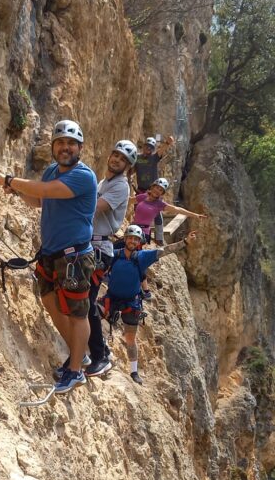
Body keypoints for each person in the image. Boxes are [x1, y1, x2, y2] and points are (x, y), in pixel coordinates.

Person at [0, 120, 97, 395]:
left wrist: (11, 181)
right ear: (53, 147)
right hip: (52, 253)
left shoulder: (84, 176)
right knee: (49, 301)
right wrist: (17, 191)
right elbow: (39, 200)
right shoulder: (51, 171)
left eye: (71, 143)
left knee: (77, 313)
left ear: (80, 148)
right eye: (60, 143)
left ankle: (76, 371)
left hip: (75, 257)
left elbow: (47, 191)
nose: (65, 148)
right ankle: (78, 355)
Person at [101, 225, 197, 384]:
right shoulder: (114, 254)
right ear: (125, 239)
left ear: (139, 242)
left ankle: (134, 371)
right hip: (112, 298)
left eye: (135, 239)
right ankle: (103, 352)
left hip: (131, 302)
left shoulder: (143, 256)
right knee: (95, 318)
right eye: (130, 238)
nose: (132, 241)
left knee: (130, 338)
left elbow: (165, 250)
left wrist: (185, 242)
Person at [82, 139, 137, 379]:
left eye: (123, 159)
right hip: (90, 243)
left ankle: (100, 356)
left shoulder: (121, 186)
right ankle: (94, 350)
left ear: (128, 166)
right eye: (115, 155)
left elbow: (95, 207)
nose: (116, 160)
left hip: (99, 248)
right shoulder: (104, 182)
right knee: (82, 300)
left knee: (87, 301)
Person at [130, 177, 206, 298]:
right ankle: (144, 289)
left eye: (160, 190)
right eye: (156, 187)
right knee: (132, 257)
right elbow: (128, 200)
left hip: (143, 233)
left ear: (162, 193)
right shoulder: (143, 197)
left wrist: (195, 215)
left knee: (135, 258)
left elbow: (177, 209)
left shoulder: (159, 204)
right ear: (152, 187)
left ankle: (144, 289)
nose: (157, 191)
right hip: (132, 229)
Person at [129, 134, 175, 245]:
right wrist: (128, 176)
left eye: (151, 147)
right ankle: (136, 235)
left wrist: (167, 143)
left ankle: (159, 238)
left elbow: (161, 150)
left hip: (153, 192)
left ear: (153, 149)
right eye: (147, 146)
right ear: (143, 146)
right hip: (141, 190)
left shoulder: (154, 158)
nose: (148, 149)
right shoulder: (137, 158)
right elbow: (132, 170)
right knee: (138, 212)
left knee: (157, 215)